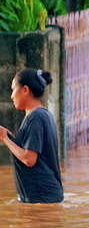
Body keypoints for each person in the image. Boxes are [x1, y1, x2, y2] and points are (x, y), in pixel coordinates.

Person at [0, 68, 64, 203]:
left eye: (13, 89)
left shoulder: (35, 117)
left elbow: (29, 159)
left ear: (25, 90)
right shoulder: (43, 114)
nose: (11, 96)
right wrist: (9, 137)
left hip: (42, 199)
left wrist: (5, 139)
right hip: (45, 198)